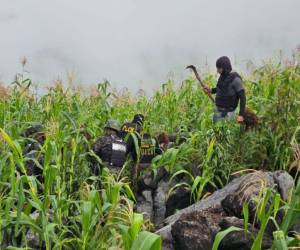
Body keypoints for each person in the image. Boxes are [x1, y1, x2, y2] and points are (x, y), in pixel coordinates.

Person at [203, 56, 246, 123]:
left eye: (219, 68)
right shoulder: (223, 76)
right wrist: (210, 90)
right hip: (218, 111)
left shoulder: (235, 79)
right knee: (216, 131)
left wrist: (241, 115)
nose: (217, 71)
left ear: (224, 68)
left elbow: (243, 97)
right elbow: (220, 89)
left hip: (229, 114)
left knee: (227, 131)